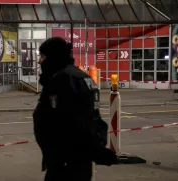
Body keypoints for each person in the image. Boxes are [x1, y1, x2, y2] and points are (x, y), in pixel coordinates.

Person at [33, 37, 117, 181]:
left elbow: (70, 123)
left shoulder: (63, 80)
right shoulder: (84, 78)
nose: (40, 61)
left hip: (65, 161)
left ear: (52, 57)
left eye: (42, 56)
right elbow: (93, 119)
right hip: (77, 160)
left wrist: (92, 151)